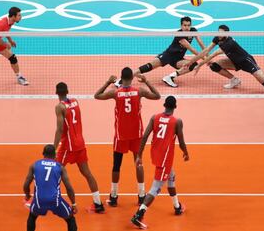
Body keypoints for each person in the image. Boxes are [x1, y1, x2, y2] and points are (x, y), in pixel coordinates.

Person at [94, 67, 161, 207]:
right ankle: (142, 196)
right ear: (132, 78)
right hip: (137, 135)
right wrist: (146, 81)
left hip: (121, 135)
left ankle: (113, 197)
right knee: (139, 163)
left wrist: (108, 82)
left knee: (116, 165)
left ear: (121, 78)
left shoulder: (115, 93)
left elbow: (97, 95)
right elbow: (157, 95)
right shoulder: (139, 91)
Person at [184, 25, 264, 92]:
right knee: (214, 66)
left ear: (226, 33)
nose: (218, 33)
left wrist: (199, 65)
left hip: (246, 62)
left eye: (221, 32)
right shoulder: (217, 38)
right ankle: (234, 80)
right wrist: (192, 61)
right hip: (233, 61)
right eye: (218, 31)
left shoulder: (228, 43)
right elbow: (205, 51)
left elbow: (212, 55)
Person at [131, 96, 189, 229]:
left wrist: (139, 155)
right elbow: (181, 142)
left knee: (171, 178)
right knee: (154, 189)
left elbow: (145, 136)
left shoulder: (154, 117)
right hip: (165, 159)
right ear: (175, 107)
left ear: (164, 105)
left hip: (156, 155)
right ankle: (138, 215)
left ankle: (177, 206)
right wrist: (186, 153)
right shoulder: (177, 121)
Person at [54, 82, 105, 213]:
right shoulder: (76, 101)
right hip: (80, 143)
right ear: (68, 91)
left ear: (56, 93)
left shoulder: (59, 107)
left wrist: (54, 148)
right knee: (87, 173)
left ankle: (46, 200)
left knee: (53, 171)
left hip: (68, 146)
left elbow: (60, 129)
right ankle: (98, 204)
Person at [115, 16, 205, 88]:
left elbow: (201, 43)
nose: (187, 27)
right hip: (168, 55)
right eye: (185, 25)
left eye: (188, 25)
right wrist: (207, 59)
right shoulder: (179, 35)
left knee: (193, 64)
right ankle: (121, 80)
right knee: (149, 66)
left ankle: (170, 77)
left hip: (178, 59)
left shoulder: (193, 31)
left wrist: (208, 54)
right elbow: (192, 50)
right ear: (181, 26)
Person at [23, 145, 77, 231]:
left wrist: (27, 195)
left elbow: (26, 184)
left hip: (39, 200)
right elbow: (69, 188)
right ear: (55, 155)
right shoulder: (60, 167)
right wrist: (74, 204)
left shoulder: (34, 165)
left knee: (32, 216)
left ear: (43, 154)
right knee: (70, 219)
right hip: (55, 201)